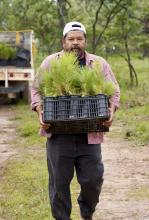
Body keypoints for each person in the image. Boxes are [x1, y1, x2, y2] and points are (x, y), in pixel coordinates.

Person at [31, 21, 120, 220]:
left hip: (90, 132)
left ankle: (86, 212)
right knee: (59, 184)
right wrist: (40, 112)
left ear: (85, 41)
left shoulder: (98, 64)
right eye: (71, 39)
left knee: (93, 180)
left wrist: (111, 110)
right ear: (63, 42)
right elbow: (36, 90)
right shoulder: (50, 63)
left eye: (79, 39)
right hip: (59, 135)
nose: (75, 43)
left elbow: (114, 90)